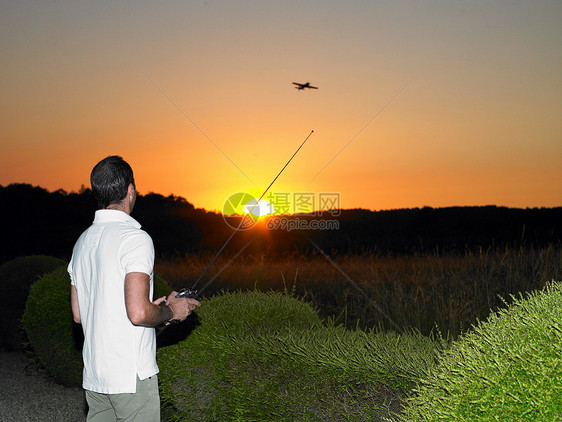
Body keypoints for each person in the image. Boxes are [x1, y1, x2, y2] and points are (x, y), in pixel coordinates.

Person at [68, 155, 200, 421]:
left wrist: (155, 308)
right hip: (131, 379)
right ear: (130, 190)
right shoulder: (135, 239)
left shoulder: (82, 242)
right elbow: (138, 313)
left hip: (95, 377)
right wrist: (172, 311)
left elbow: (79, 315)